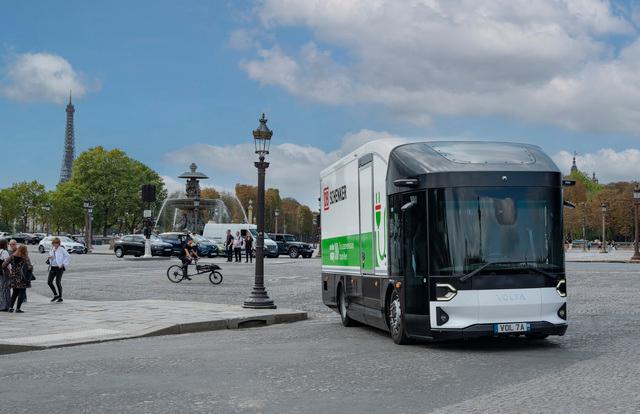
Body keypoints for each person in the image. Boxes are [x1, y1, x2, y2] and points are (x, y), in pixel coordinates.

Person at [2, 244, 33, 313]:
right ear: (25, 251)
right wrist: (31, 267)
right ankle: (18, 308)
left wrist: (8, 272)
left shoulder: (12, 256)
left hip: (13, 277)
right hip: (22, 278)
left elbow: (4, 265)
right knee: (22, 293)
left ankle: (10, 307)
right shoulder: (25, 257)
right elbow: (29, 267)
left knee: (14, 293)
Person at [47, 237, 70, 303]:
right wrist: (50, 258)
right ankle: (55, 295)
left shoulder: (61, 249)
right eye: (54, 243)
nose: (55, 244)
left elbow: (68, 256)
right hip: (53, 267)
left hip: (59, 267)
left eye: (57, 243)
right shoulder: (52, 249)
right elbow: (52, 257)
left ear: (59, 243)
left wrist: (63, 263)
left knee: (57, 282)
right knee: (49, 282)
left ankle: (60, 297)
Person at [0, 239, 10, 312]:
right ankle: (5, 305)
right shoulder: (4, 252)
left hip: (0, 272)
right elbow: (7, 263)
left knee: (1, 288)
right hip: (4, 272)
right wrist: (11, 271)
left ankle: (2, 305)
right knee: (5, 289)